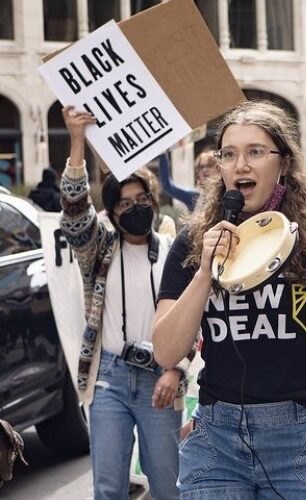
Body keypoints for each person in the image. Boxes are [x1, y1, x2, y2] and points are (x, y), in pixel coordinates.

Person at [152, 100, 306, 499]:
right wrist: (205, 272)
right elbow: (167, 352)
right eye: (229, 154)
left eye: (256, 152)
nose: (241, 166)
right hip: (214, 440)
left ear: (284, 163)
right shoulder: (193, 243)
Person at [59, 106, 190, 500]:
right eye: (124, 203)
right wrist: (78, 141)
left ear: (154, 199)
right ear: (113, 213)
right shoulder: (98, 249)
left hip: (161, 379)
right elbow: (75, 212)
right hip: (109, 380)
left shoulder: (174, 251)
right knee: (109, 487)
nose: (135, 208)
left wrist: (177, 368)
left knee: (168, 485)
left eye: (141, 198)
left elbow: (194, 319)